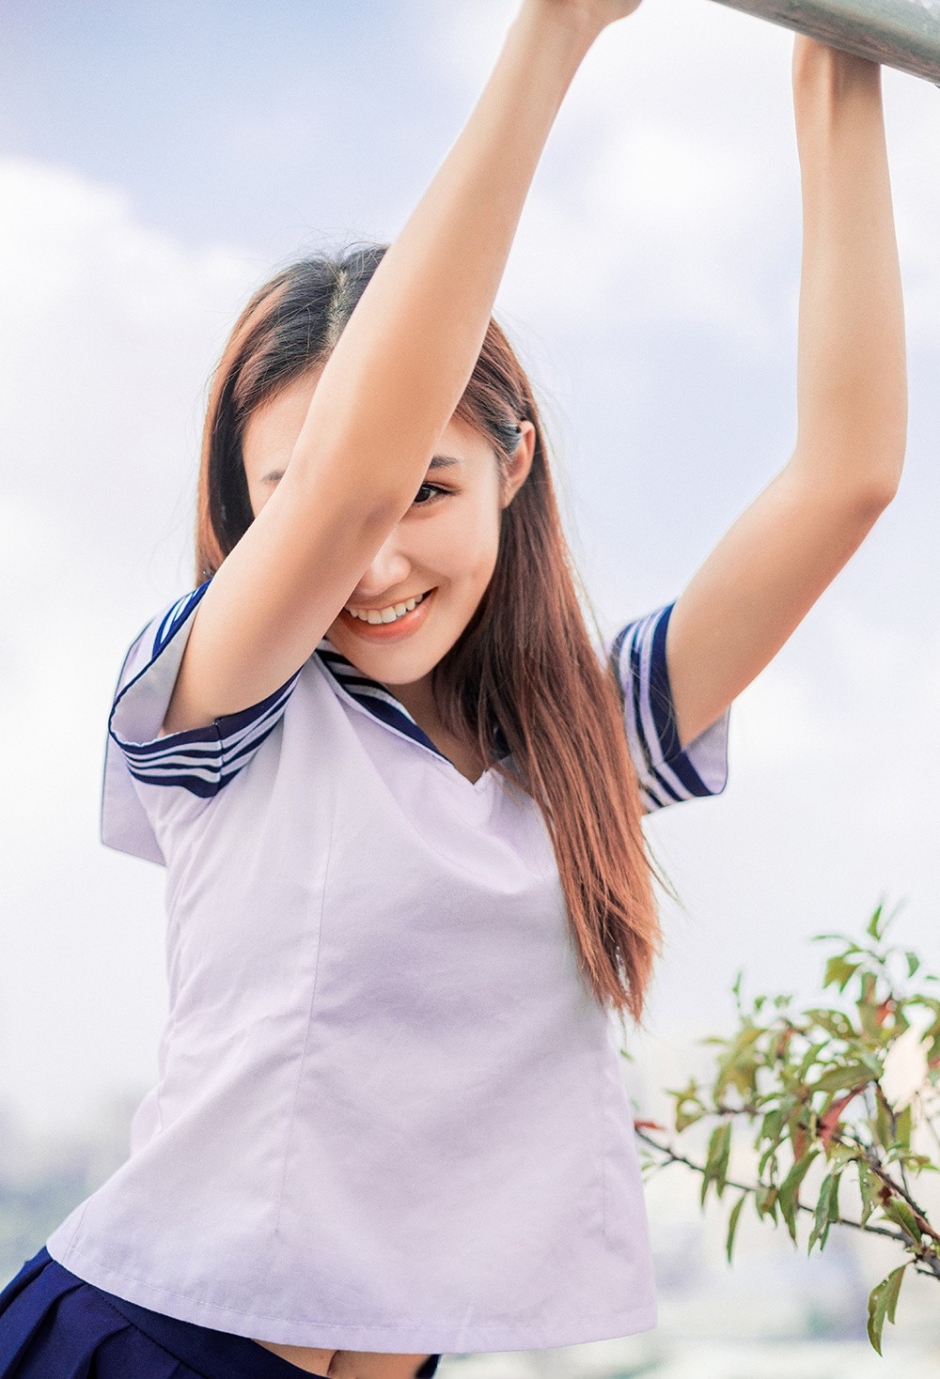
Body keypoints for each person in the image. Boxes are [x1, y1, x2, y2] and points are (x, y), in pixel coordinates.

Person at [0, 0, 906, 1375]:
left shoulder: (576, 740)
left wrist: (838, 49)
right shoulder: (223, 701)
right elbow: (352, 479)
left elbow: (849, 476)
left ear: (516, 464)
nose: (374, 557)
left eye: (434, 488)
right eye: (297, 508)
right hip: (146, 1346)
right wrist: (552, 34)